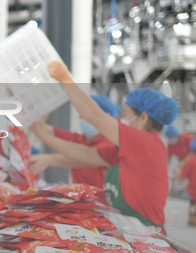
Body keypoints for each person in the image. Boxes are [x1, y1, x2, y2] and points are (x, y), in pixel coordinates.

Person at [30, 61, 178, 229]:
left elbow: (93, 114)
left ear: (143, 118)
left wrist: (65, 80)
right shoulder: (130, 147)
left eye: (126, 115)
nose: (123, 119)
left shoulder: (145, 142)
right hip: (130, 227)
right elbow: (87, 155)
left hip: (146, 231)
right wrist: (44, 139)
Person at [30, 95, 119, 187]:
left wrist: (49, 158)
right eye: (81, 113)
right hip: (83, 198)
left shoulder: (110, 144)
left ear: (106, 116)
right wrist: (34, 119)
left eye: (88, 114)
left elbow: (84, 156)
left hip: (101, 200)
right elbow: (47, 130)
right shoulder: (81, 139)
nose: (82, 117)